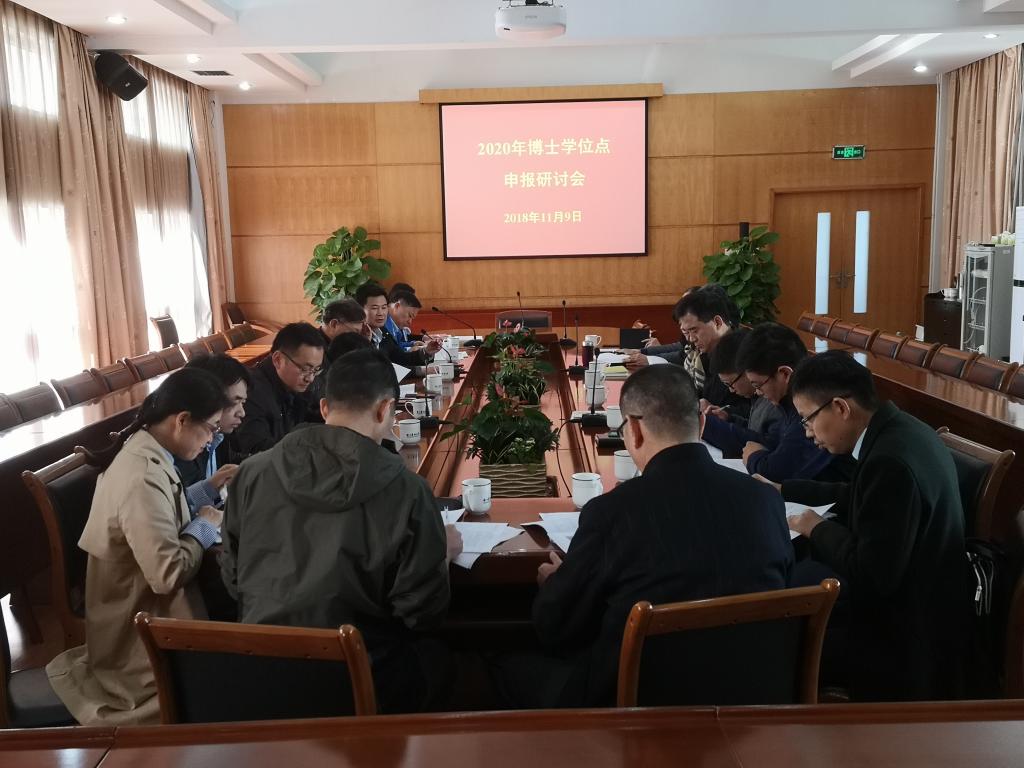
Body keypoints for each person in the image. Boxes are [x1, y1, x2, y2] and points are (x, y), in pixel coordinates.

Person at [501, 365, 792, 708]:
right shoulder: (765, 500)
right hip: (754, 700)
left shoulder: (612, 512)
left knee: (502, 665)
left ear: (635, 430)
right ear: (701, 424)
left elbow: (555, 628)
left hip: (640, 706)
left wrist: (555, 583)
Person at [221, 349, 463, 713]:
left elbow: (233, 578)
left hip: (261, 674)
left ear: (323, 408)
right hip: (361, 676)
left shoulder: (252, 473)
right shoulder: (407, 489)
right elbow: (421, 612)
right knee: (448, 659)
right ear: (385, 410)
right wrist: (441, 555)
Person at [779, 350, 973, 701]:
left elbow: (872, 574)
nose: (807, 433)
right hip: (928, 607)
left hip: (905, 637)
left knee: (786, 639)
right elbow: (859, 494)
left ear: (841, 407)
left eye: (807, 420)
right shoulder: (900, 429)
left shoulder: (889, 462)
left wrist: (816, 528)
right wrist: (785, 490)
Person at [46, 369, 229, 725]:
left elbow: (165, 514)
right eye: (211, 429)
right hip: (136, 634)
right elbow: (167, 575)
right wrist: (205, 526)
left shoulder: (148, 449)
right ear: (182, 420)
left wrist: (206, 495)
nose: (211, 441)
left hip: (142, 606)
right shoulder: (141, 474)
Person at [736, 323, 852, 483]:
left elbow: (778, 473)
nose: (758, 392)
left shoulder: (813, 407)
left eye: (758, 385)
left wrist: (753, 457)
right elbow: (776, 443)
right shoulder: (787, 404)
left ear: (784, 374)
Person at [230, 322, 325, 457]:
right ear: (278, 360)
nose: (310, 378)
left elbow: (314, 416)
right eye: (305, 369)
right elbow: (257, 450)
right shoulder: (251, 393)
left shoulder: (297, 384)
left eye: (316, 370)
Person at [175, 354, 250, 512]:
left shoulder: (219, 433)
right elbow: (179, 512)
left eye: (243, 403)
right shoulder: (185, 448)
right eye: (234, 403)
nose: (242, 413)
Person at [699, 328, 781, 458]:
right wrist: (729, 418)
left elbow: (769, 448)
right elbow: (755, 429)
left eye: (730, 384)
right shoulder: (758, 397)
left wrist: (712, 427)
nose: (731, 390)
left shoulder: (773, 399)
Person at [356, 282, 439, 367]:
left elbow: (401, 358)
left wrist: (427, 351)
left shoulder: (383, 332)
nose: (381, 313)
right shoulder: (355, 338)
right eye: (375, 308)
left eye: (384, 307)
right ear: (360, 309)